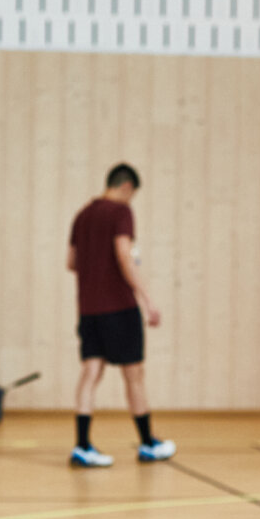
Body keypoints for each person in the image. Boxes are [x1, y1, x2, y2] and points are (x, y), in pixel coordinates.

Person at [68, 164, 174, 467]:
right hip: (119, 307)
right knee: (134, 375)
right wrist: (148, 299)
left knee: (90, 373)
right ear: (127, 187)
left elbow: (71, 262)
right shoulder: (120, 212)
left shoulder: (82, 215)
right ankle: (148, 442)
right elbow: (124, 256)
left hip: (88, 310)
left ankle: (82, 445)